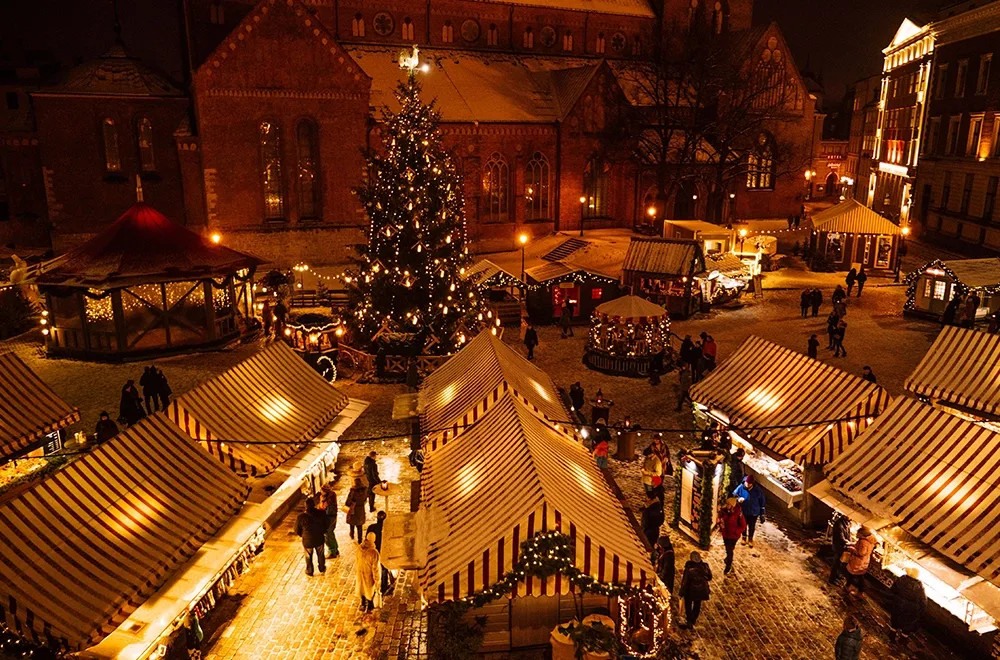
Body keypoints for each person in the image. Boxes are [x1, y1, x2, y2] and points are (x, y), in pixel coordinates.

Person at [294, 496, 329, 576]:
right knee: (320, 554)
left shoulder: (301, 517)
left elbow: (296, 529)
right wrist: (323, 531)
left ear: (306, 506)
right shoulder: (321, 513)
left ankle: (309, 570)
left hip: (307, 540)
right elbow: (327, 523)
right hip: (319, 538)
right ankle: (322, 567)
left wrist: (303, 535)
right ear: (314, 505)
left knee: (308, 556)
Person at [889, 567, 927, 642]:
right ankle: (903, 640)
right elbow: (923, 601)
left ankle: (892, 636)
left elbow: (893, 589)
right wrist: (921, 611)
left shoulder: (901, 579)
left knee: (895, 620)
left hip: (898, 604)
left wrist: (894, 600)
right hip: (911, 609)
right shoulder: (919, 586)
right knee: (907, 625)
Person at [679, 551, 712, 629]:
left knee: (688, 605)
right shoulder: (705, 566)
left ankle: (689, 620)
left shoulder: (689, 569)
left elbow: (685, 582)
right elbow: (709, 577)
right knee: (697, 605)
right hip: (701, 590)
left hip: (690, 591)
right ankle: (693, 620)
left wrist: (681, 593)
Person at [732, 475, 766, 547]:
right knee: (743, 525)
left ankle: (750, 539)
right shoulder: (741, 487)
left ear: (752, 483)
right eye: (746, 483)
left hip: (754, 512)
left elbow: (762, 501)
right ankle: (744, 537)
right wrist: (738, 499)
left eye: (749, 484)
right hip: (743, 511)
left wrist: (762, 514)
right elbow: (734, 494)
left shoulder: (757, 490)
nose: (747, 485)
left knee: (752, 526)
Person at [717, 496, 746, 574]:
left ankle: (728, 565)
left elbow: (743, 525)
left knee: (729, 550)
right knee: (729, 549)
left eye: (728, 504)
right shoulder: (724, 510)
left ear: (732, 505)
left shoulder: (738, 513)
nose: (726, 505)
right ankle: (728, 560)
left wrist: (736, 532)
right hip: (725, 534)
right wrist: (720, 521)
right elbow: (720, 516)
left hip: (733, 536)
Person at [844, 526, 877, 597]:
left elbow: (861, 553)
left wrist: (852, 549)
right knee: (855, 575)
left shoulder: (863, 542)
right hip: (864, 561)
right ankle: (848, 587)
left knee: (858, 576)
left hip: (858, 562)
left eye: (858, 533)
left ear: (862, 534)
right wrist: (853, 544)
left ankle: (859, 592)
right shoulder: (869, 540)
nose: (856, 534)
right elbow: (860, 547)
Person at [355, 532, 383, 612]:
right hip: (368, 576)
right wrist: (377, 581)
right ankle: (370, 606)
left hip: (360, 573)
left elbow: (357, 561)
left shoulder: (359, 548)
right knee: (369, 591)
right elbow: (376, 569)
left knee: (362, 589)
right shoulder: (374, 553)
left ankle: (363, 603)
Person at [318, 482, 339, 559]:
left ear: (325, 491)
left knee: (328, 535)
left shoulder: (328, 500)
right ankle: (335, 549)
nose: (320, 491)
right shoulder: (328, 496)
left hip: (329, 519)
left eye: (322, 490)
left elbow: (326, 510)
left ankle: (332, 551)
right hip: (329, 518)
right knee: (330, 534)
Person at [829, 514, 850, 585]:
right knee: (836, 563)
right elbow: (841, 537)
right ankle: (832, 579)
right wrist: (849, 543)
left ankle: (837, 575)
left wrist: (849, 541)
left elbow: (848, 534)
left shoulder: (847, 523)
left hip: (843, 546)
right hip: (838, 547)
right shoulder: (838, 525)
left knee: (840, 563)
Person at [346, 477, 368, 543]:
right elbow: (365, 499)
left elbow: (348, 501)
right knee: (359, 525)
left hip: (353, 509)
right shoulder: (364, 490)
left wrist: (348, 504)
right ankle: (360, 539)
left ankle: (352, 534)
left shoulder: (353, 491)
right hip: (361, 509)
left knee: (352, 522)